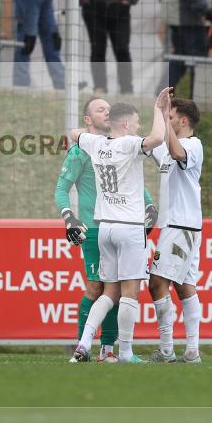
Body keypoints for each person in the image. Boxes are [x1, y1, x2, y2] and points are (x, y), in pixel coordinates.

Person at [55, 98, 157, 362]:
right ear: (88, 119)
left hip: (108, 226)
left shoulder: (104, 145)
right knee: (97, 288)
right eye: (100, 109)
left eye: (108, 108)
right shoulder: (82, 151)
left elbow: (132, 181)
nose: (106, 111)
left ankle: (105, 349)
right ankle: (93, 347)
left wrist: (149, 204)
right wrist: (69, 217)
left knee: (113, 291)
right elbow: (61, 189)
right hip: (94, 228)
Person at [147, 96, 205, 364]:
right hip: (183, 226)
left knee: (157, 283)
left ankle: (167, 349)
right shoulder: (169, 148)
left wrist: (163, 115)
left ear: (183, 121)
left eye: (170, 118)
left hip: (180, 226)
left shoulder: (193, 145)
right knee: (184, 287)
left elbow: (177, 153)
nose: (166, 121)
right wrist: (157, 111)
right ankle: (192, 351)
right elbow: (152, 143)